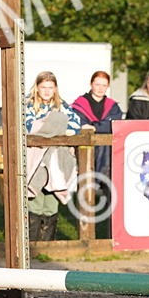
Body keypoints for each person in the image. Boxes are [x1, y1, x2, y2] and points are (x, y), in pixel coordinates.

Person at [24, 71, 82, 242]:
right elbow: (29, 127)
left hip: (55, 157)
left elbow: (74, 125)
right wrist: (53, 124)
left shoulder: (62, 105)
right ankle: (32, 243)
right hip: (35, 156)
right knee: (35, 198)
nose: (47, 91)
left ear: (55, 89)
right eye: (43, 87)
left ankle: (48, 244)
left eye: (50, 87)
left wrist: (50, 124)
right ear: (37, 87)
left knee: (51, 199)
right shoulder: (28, 104)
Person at [71, 71, 123, 221]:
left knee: (111, 193)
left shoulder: (113, 107)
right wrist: (98, 126)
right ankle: (85, 222)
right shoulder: (79, 104)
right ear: (91, 84)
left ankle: (110, 226)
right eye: (97, 84)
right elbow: (78, 124)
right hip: (86, 154)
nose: (100, 88)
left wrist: (93, 126)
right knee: (86, 190)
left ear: (108, 86)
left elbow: (113, 125)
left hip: (108, 155)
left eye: (104, 85)